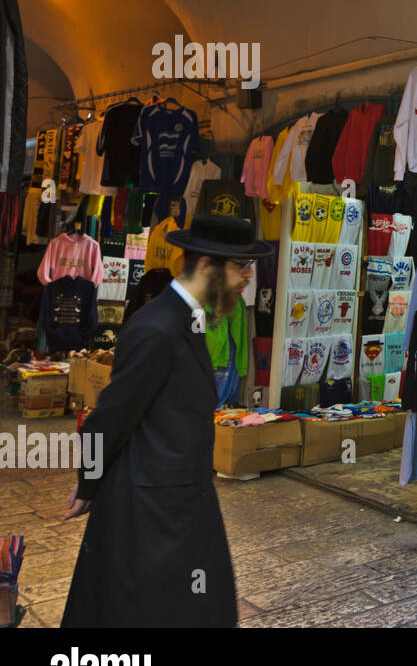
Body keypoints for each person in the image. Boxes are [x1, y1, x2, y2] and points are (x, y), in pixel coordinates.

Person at [61, 214, 272, 627]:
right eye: (240, 266)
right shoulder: (158, 327)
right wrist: (88, 484)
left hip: (177, 498)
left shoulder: (187, 317)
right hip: (152, 509)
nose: (248, 276)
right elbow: (110, 416)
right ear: (207, 266)